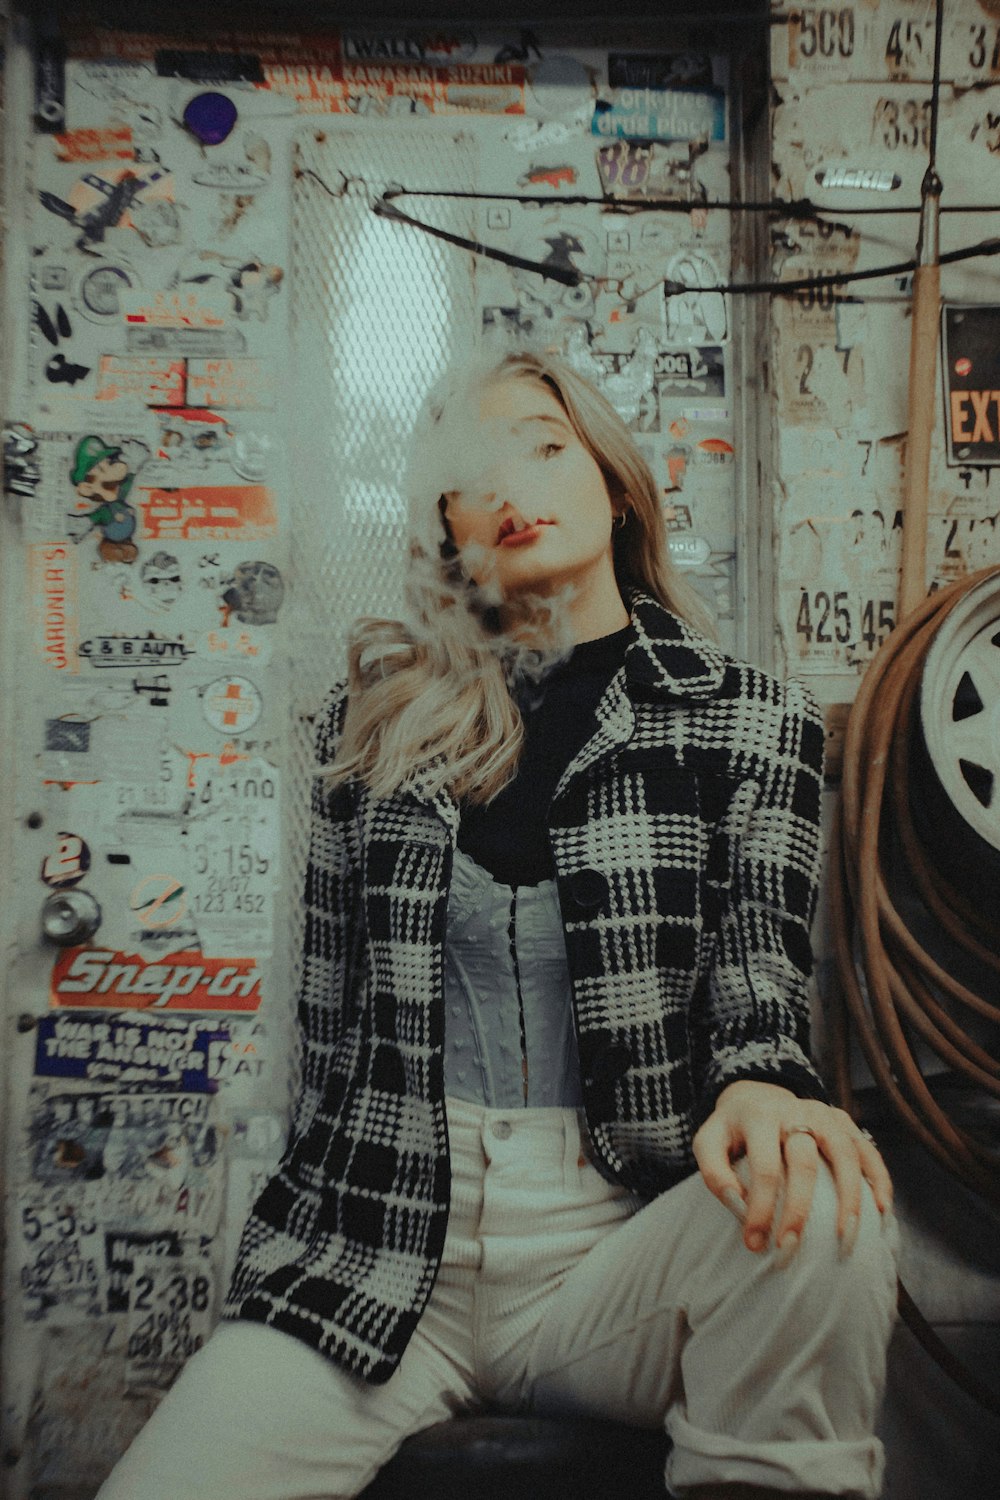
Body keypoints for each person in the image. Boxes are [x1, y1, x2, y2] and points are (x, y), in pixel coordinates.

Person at [97, 350, 899, 1500]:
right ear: (447, 534)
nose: (509, 487)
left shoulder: (748, 720)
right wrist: (295, 1236)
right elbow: (329, 1031)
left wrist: (766, 1085)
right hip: (384, 1252)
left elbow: (759, 980)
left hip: (614, 1257)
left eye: (542, 442)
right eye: (469, 476)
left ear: (614, 483)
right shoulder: (369, 729)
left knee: (823, 1199)